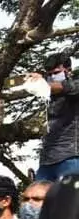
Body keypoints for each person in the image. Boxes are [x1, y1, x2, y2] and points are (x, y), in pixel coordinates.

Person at [31, 52, 79, 182]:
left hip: (70, 158)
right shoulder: (48, 95)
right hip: (46, 161)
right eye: (50, 74)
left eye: (56, 72)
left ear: (68, 71)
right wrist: (34, 79)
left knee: (70, 200)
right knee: (40, 199)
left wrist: (41, 83)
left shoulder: (75, 85)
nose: (53, 76)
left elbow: (65, 87)